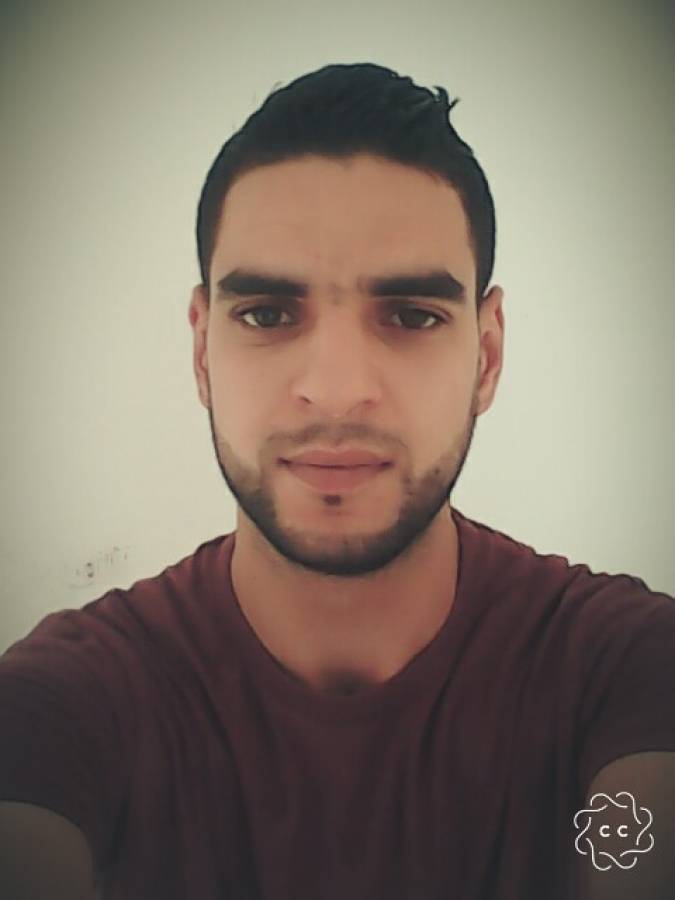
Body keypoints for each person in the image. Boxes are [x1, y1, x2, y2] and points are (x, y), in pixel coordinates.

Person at [1, 62, 674, 900]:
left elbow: (633, 856)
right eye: (267, 314)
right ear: (202, 351)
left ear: (487, 354)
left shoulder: (619, 671)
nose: (336, 389)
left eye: (412, 315)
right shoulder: (68, 704)